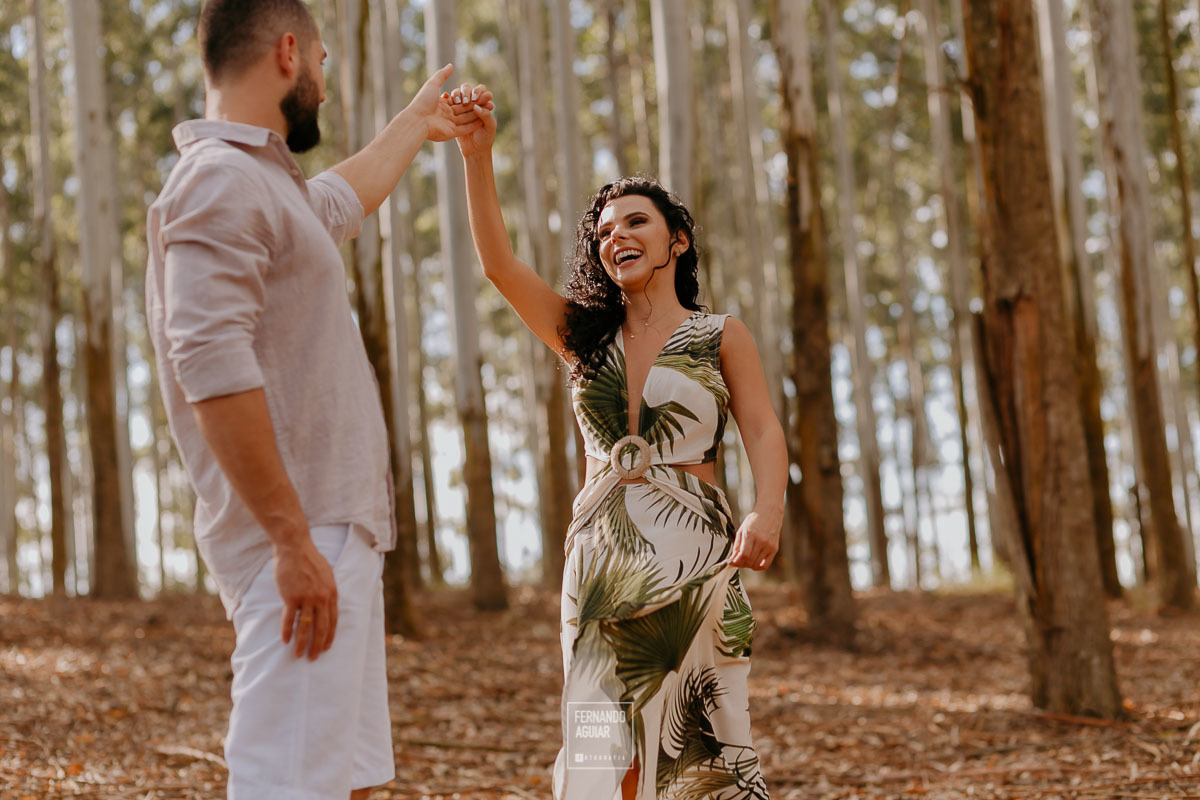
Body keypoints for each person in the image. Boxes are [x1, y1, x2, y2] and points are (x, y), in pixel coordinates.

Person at [144, 2, 489, 797]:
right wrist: (289, 538)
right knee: (289, 784)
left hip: (333, 534)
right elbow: (208, 358)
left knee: (346, 780)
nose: (326, 90)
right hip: (300, 540)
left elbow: (339, 198)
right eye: (326, 64)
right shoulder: (218, 181)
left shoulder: (265, 183)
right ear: (289, 52)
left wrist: (415, 124)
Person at [450, 83, 784, 799]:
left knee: (699, 744)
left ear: (678, 239)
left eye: (636, 222)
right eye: (603, 232)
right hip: (601, 557)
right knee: (603, 742)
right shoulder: (580, 337)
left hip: (696, 551)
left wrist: (770, 510)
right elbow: (499, 267)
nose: (616, 237)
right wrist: (477, 155)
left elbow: (760, 425)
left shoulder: (720, 334)